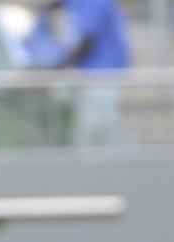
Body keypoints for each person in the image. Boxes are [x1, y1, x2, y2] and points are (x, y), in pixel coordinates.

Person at [25, 0, 131, 146]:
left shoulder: (94, 3)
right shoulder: (72, 4)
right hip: (87, 75)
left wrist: (57, 68)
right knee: (86, 128)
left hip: (103, 74)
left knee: (97, 130)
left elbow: (86, 43)